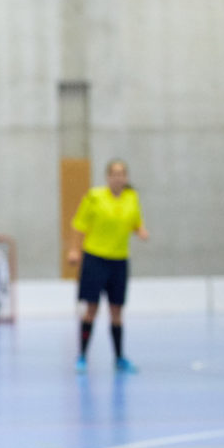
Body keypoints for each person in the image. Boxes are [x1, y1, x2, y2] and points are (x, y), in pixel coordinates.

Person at [68, 158, 149, 374]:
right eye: (114, 173)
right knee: (91, 309)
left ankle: (119, 357)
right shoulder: (95, 197)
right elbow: (78, 225)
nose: (118, 177)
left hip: (119, 260)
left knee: (117, 311)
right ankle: (82, 355)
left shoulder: (132, 197)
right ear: (107, 177)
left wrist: (140, 230)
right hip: (95, 258)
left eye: (122, 173)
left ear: (126, 177)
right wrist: (74, 250)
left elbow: (134, 221)